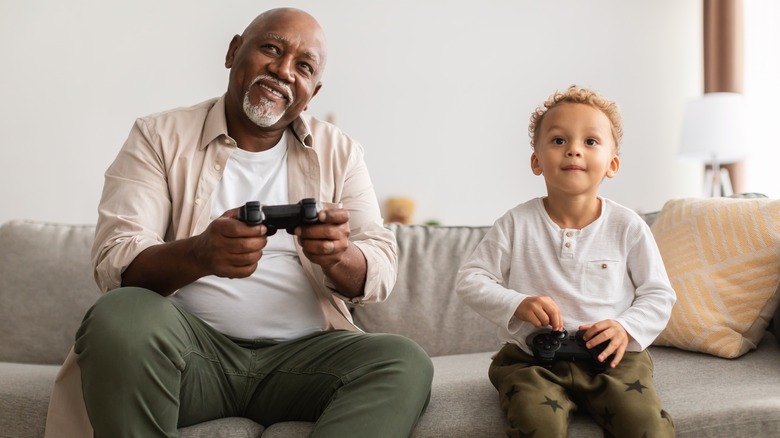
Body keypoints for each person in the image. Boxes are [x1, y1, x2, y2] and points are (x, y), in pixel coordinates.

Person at [45, 8, 432, 438]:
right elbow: (115, 261)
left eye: (303, 67)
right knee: (119, 315)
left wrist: (339, 256)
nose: (283, 71)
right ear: (233, 52)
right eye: (270, 48)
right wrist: (199, 254)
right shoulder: (157, 136)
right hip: (189, 359)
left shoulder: (340, 151)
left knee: (403, 360)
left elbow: (380, 266)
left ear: (312, 91)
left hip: (305, 363)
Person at [455, 85, 677, 437]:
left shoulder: (628, 226)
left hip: (613, 361)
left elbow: (658, 294)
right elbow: (471, 279)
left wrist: (626, 328)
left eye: (590, 142)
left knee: (644, 424)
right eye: (559, 140)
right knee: (536, 423)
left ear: (612, 164)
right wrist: (518, 303)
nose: (574, 149)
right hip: (532, 360)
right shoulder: (516, 223)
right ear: (536, 161)